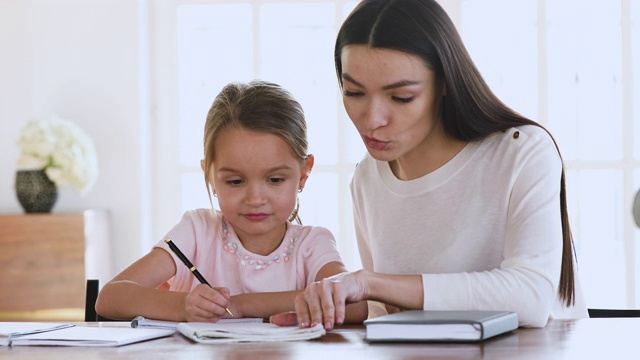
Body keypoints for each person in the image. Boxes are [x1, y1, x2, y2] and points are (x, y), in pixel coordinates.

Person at [274, 0, 588, 330]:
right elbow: (387, 316)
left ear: (445, 83)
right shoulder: (367, 178)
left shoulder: (521, 153)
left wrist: (370, 283)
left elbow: (531, 297)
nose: (372, 119)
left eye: (401, 97)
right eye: (354, 92)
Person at [95, 80, 368, 323]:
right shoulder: (197, 231)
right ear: (209, 175)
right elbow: (109, 298)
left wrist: (243, 305)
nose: (255, 199)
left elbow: (354, 306)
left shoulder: (312, 244)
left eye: (274, 180)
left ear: (304, 174)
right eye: (235, 182)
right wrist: (184, 305)